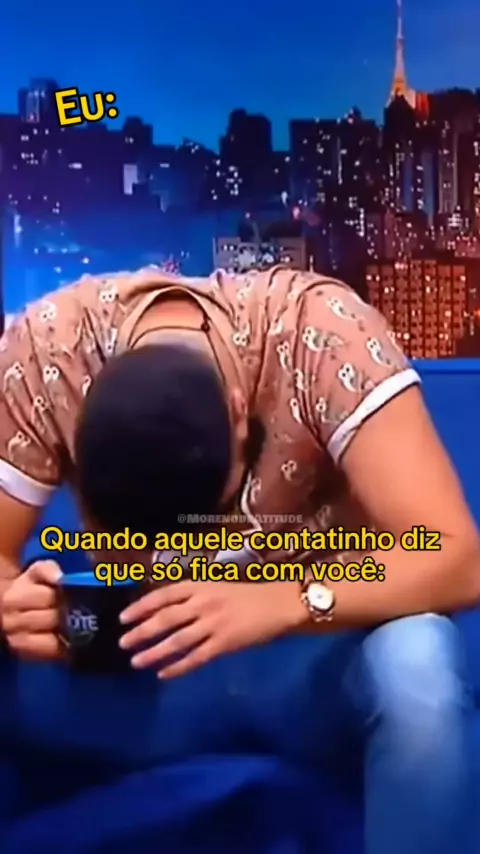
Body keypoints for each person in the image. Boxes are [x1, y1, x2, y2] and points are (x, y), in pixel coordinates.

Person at [0, 265, 479, 853]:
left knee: (417, 664)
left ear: (235, 411)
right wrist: (15, 602)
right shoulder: (47, 354)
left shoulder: (323, 336)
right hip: (135, 672)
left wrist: (285, 601)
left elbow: (454, 554)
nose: (180, 548)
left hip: (309, 664)